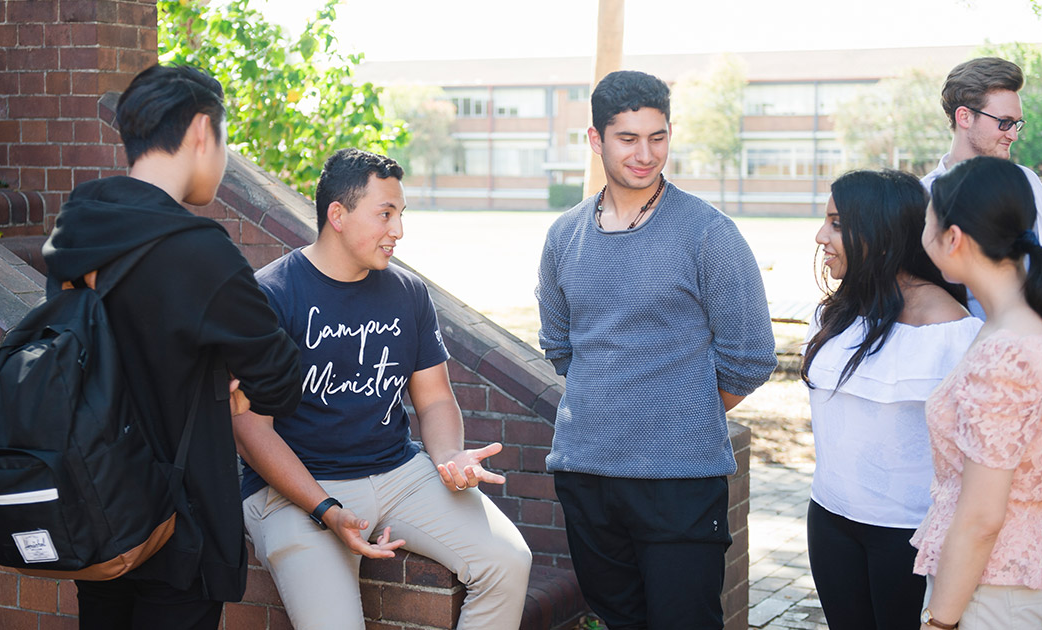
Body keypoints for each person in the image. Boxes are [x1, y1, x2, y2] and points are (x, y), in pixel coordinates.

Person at [42, 64, 304, 629]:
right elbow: (281, 377)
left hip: (95, 506)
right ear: (202, 132)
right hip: (178, 525)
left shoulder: (76, 226)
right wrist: (231, 386)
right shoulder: (199, 253)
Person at [235, 148, 531, 630]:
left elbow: (434, 398)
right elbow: (249, 428)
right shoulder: (270, 295)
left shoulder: (407, 292)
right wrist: (326, 510)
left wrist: (448, 456)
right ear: (338, 215)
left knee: (508, 561)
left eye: (401, 214)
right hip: (297, 488)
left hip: (398, 473)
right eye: (385, 214)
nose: (398, 230)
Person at [536, 70, 777, 630]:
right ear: (595, 140)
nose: (646, 154)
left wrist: (676, 412)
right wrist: (613, 406)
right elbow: (561, 346)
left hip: (681, 480)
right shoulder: (563, 235)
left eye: (658, 137)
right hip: (587, 473)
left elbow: (751, 355)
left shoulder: (708, 233)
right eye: (628, 138)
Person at [913, 156, 1042, 630]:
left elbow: (981, 517)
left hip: (995, 592)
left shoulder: (1006, 352)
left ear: (953, 238)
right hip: (1041, 575)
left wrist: (941, 621)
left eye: (926, 223)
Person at [801, 170, 980, 630]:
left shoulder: (953, 334)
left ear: (881, 234)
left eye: (837, 223)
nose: (822, 236)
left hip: (909, 536)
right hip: (829, 519)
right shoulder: (837, 313)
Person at [921, 56, 1042, 320]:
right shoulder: (921, 194)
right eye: (1004, 122)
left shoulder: (1026, 182)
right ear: (964, 117)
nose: (1013, 135)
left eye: (1016, 123)